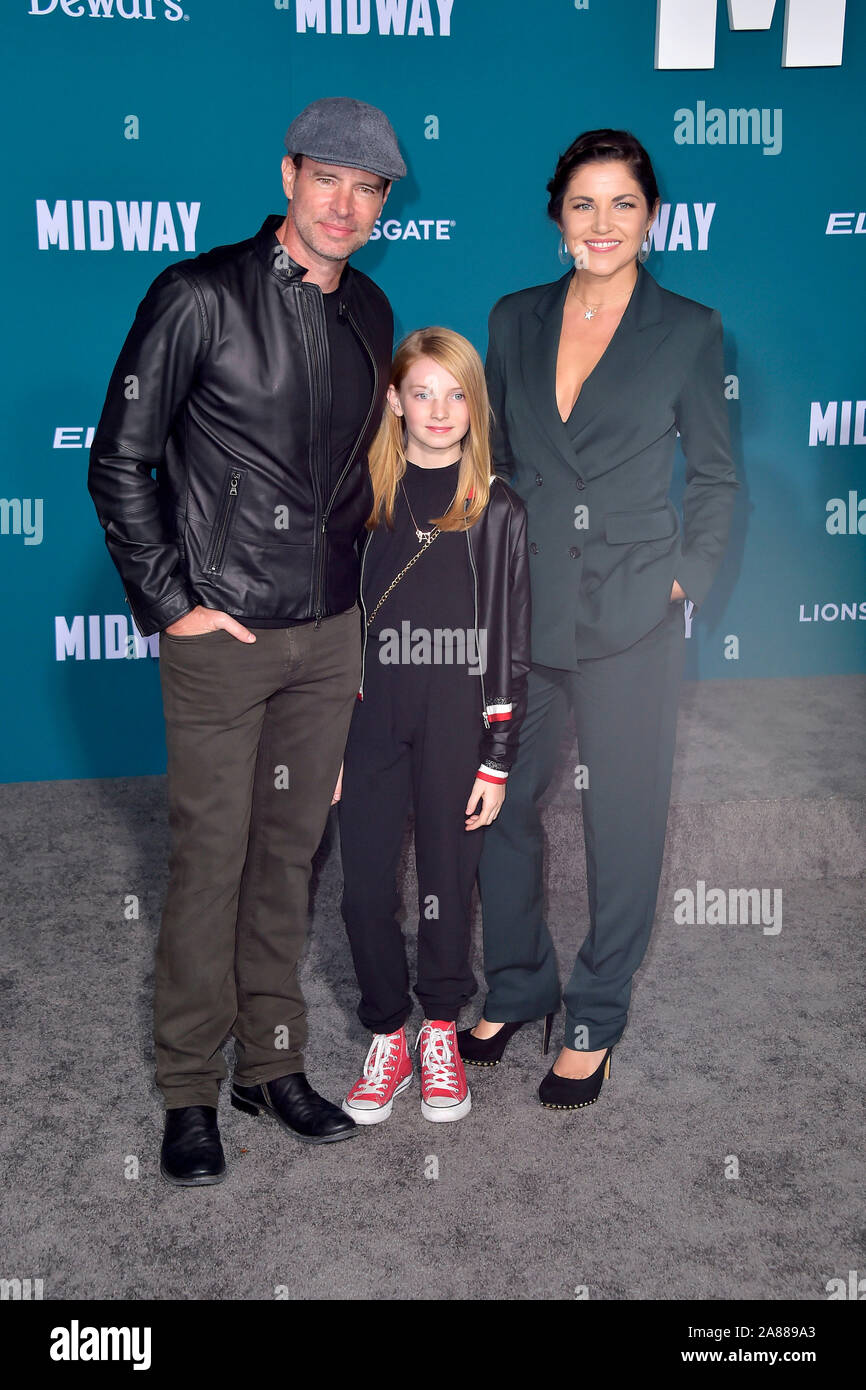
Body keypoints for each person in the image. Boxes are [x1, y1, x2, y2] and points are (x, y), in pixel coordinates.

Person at [88, 98, 406, 1185]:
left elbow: (358, 483)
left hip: (324, 637)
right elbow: (116, 461)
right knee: (210, 865)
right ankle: (188, 1086)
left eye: (369, 190)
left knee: (288, 860)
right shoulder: (195, 294)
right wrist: (173, 601)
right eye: (329, 179)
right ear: (287, 176)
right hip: (220, 633)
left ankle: (270, 1062)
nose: (346, 205)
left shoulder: (369, 307)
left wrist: (351, 624)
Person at [458, 129, 738, 1109]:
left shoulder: (689, 329)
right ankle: (520, 981)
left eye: (622, 203)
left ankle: (594, 1013)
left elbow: (714, 476)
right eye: (583, 203)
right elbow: (487, 467)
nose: (602, 222)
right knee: (493, 799)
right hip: (525, 606)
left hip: (630, 610)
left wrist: (679, 581)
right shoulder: (511, 319)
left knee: (621, 819)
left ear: (650, 217)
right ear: (555, 218)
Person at [335, 328, 531, 1124]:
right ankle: (387, 1033)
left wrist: (498, 759)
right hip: (367, 715)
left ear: (475, 406)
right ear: (395, 401)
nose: (440, 410)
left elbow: (512, 640)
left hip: (459, 717)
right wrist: (321, 737)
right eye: (423, 392)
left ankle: (441, 1029)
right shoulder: (363, 496)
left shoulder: (497, 506)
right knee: (364, 890)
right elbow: (326, 618)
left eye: (456, 394)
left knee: (448, 885)